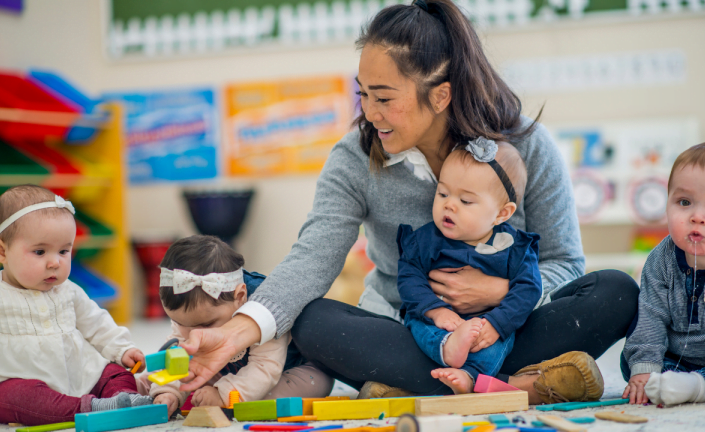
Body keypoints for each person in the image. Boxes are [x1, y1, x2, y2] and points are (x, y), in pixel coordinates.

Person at [177, 0, 639, 404]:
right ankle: (519, 385)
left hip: (511, 325)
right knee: (314, 321)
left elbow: (565, 261)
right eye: (363, 95)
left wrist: (500, 297)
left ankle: (429, 385)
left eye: (383, 98)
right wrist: (238, 329)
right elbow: (312, 258)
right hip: (410, 331)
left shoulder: (526, 146)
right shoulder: (355, 157)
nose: (369, 113)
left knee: (617, 292)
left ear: (440, 95)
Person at [0, 185, 152, 426]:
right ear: (1, 251)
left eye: (64, 250)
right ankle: (91, 407)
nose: (55, 262)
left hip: (79, 374)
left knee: (114, 372)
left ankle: (122, 398)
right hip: (15, 381)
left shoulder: (68, 290)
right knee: (14, 399)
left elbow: (97, 324)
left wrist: (122, 349)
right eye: (40, 251)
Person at [398, 140, 540, 394]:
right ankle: (447, 348)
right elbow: (409, 279)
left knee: (497, 343)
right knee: (417, 324)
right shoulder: (424, 241)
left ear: (501, 214)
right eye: (442, 194)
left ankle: (469, 377)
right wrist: (436, 311)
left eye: (465, 200)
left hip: (487, 322)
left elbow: (528, 289)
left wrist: (497, 324)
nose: (449, 205)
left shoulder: (514, 247)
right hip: (436, 320)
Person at [144, 236, 333, 417]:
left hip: (288, 369)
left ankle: (228, 397)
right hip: (226, 371)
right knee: (160, 378)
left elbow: (265, 368)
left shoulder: (266, 307)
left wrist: (223, 393)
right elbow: (178, 357)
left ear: (240, 297)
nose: (192, 333)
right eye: (179, 323)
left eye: (206, 325)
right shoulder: (192, 317)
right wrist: (168, 392)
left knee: (307, 384)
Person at [622, 141, 705, 408]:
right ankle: (677, 382)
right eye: (684, 202)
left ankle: (701, 386)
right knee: (633, 363)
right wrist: (645, 368)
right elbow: (650, 315)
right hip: (675, 357)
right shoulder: (661, 259)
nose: (697, 216)